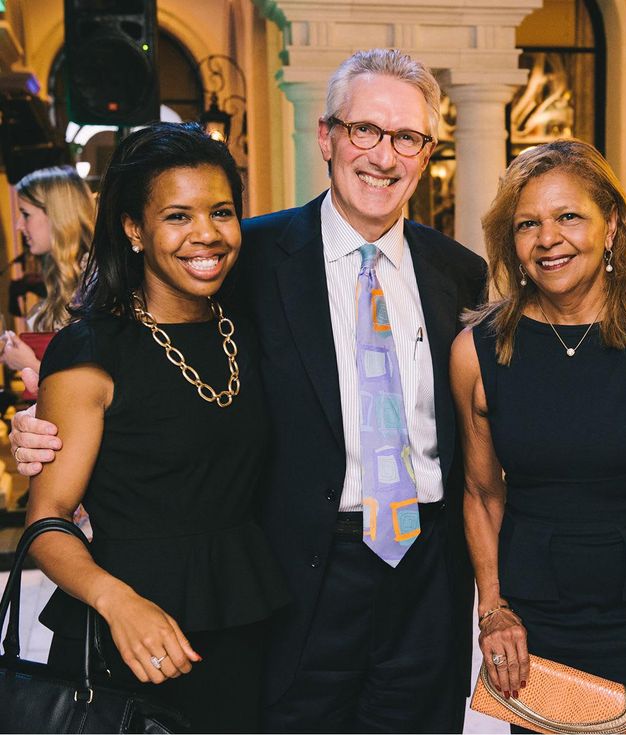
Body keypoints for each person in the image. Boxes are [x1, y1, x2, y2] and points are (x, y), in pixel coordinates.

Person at [13, 49, 487, 733]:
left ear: (427, 152)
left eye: (407, 137)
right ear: (325, 137)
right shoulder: (247, 258)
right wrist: (43, 421)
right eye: (364, 131)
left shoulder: (458, 273)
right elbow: (142, 352)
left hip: (427, 580)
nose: (385, 155)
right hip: (296, 579)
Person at [24, 122, 289, 732]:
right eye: (178, 215)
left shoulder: (248, 331)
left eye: (221, 211)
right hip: (128, 640)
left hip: (241, 622)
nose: (206, 234)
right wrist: (117, 602)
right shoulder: (92, 350)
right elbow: (46, 520)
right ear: (133, 229)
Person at [451, 139, 626, 733]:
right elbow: (482, 494)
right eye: (528, 224)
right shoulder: (479, 350)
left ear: (611, 224)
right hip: (538, 621)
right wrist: (494, 609)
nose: (548, 239)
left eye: (569, 217)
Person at [1, 165, 94, 374]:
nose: (19, 225)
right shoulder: (65, 273)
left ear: (56, 215)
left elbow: (94, 385)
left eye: (25, 214)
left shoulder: (96, 278)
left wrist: (30, 365)